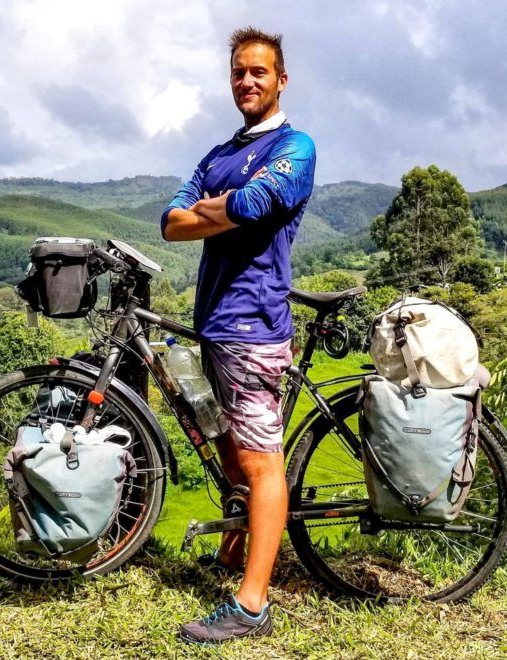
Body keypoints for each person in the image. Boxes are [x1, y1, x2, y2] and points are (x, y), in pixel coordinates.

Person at [161, 26, 316, 644]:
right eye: (238, 72)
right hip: (215, 323)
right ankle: (231, 554)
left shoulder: (296, 146)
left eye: (259, 72)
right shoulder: (217, 154)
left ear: (281, 80)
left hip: (253, 326)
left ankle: (252, 606)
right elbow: (171, 223)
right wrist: (219, 206)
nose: (247, 81)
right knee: (229, 450)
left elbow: (253, 205)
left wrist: (215, 207)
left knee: (259, 461)